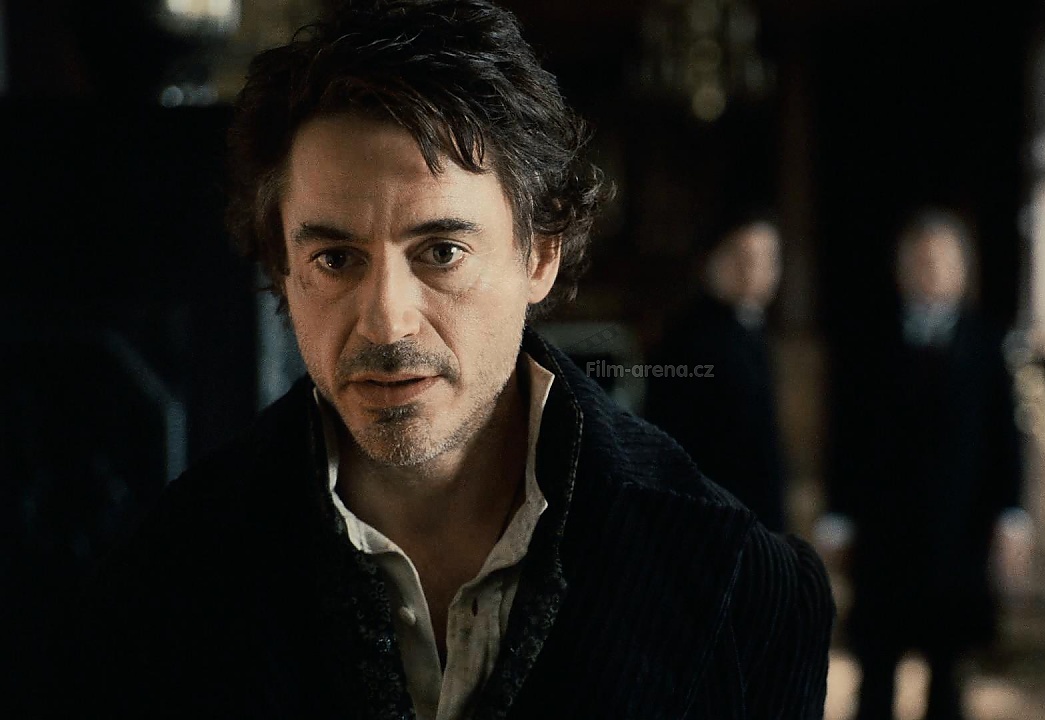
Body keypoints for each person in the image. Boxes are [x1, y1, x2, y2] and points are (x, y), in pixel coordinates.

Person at [37, 2, 835, 718]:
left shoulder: (745, 591)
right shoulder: (160, 582)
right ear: (281, 267)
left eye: (441, 251)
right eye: (335, 259)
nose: (387, 318)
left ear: (540, 254)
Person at [826, 209, 1025, 720]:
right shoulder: (869, 339)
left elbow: (1004, 436)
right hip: (884, 531)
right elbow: (846, 434)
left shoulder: (987, 342)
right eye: (920, 261)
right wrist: (838, 515)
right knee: (876, 671)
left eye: (941, 261)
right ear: (901, 269)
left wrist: (1011, 514)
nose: (930, 271)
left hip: (958, 530)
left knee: (948, 673)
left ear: (962, 270)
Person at [643, 212, 789, 532]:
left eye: (767, 259)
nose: (753, 270)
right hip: (711, 518)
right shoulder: (688, 337)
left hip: (755, 518)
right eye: (742, 257)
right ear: (712, 259)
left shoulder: (752, 327)